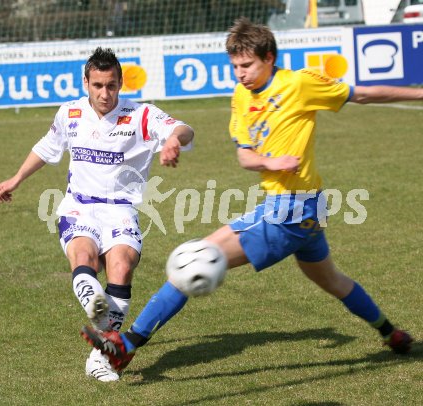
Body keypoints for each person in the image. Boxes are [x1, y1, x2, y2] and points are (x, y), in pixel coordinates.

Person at [80, 19, 421, 372]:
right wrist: (271, 161)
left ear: (269, 58)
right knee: (332, 280)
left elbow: (361, 94)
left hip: (294, 209)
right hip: (295, 209)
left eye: (247, 65)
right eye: (235, 67)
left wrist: (419, 92)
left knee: (191, 261)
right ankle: (390, 332)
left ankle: (128, 343)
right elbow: (245, 155)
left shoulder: (299, 84)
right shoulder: (242, 96)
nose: (240, 74)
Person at [0, 47, 194, 381]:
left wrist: (173, 140)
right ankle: (97, 309)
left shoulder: (141, 115)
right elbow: (47, 147)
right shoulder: (69, 113)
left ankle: (99, 357)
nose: (105, 94)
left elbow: (185, 129)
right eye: (98, 85)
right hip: (79, 207)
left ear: (121, 83)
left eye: (112, 86)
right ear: (86, 82)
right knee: (84, 256)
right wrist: (15, 179)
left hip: (120, 210)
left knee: (122, 266)